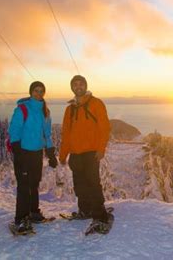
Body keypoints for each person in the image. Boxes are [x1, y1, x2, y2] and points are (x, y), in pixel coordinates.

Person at [59, 75, 112, 232]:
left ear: (85, 86)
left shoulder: (96, 103)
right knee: (80, 186)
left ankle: (100, 216)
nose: (78, 86)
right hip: (75, 154)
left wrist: (101, 149)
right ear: (72, 88)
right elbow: (66, 134)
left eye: (81, 84)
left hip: (91, 153)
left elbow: (105, 128)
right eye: (75, 84)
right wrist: (63, 154)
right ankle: (85, 210)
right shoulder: (69, 109)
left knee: (93, 184)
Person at [8, 81, 58, 234]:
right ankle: (21, 219)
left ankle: (33, 213)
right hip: (22, 153)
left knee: (34, 184)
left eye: (41, 90)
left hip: (37, 154)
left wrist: (50, 154)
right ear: (30, 92)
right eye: (36, 90)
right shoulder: (22, 109)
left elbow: (47, 134)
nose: (38, 93)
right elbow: (14, 131)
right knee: (23, 186)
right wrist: (17, 151)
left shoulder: (45, 111)